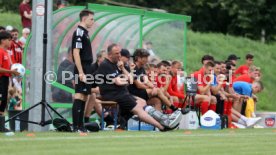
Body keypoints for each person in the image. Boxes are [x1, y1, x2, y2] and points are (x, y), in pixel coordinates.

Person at [96, 43, 182, 131]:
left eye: (120, 53)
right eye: (117, 53)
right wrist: (126, 80)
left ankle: (164, 122)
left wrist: (122, 69)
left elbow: (130, 79)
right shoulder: (105, 65)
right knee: (139, 109)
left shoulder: (117, 64)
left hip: (123, 93)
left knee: (143, 102)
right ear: (109, 54)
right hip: (115, 95)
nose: (119, 55)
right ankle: (163, 124)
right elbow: (120, 82)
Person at [71, 9, 95, 132]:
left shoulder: (85, 32)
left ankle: (81, 126)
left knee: (84, 96)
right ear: (84, 19)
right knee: (79, 95)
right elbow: (76, 52)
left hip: (87, 67)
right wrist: (80, 72)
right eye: (91, 19)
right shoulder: (79, 32)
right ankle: (76, 127)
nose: (93, 21)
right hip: (82, 68)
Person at [0, 31, 20, 116]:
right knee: (1, 100)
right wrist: (11, 71)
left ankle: (1, 125)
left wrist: (13, 71)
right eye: (9, 40)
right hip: (1, 79)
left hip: (5, 79)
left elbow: (7, 68)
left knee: (4, 100)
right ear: (3, 40)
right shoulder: (0, 52)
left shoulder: (6, 52)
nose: (10, 42)